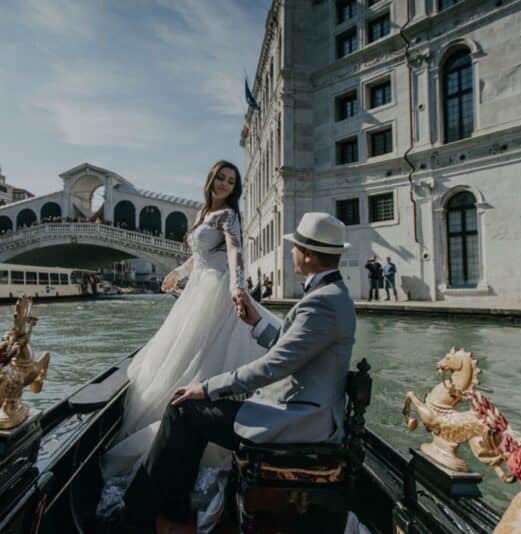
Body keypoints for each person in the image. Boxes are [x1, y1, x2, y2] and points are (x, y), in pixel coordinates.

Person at [111, 212, 356, 532]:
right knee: (187, 408)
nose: (292, 253)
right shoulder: (330, 296)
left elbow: (274, 365)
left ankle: (140, 518)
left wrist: (208, 387)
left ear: (308, 255)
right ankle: (173, 509)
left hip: (299, 421)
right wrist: (256, 322)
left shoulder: (323, 302)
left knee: (183, 408)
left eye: (295, 248)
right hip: (301, 409)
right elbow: (291, 347)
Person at [99, 161, 279, 519]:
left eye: (232, 181)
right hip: (198, 289)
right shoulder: (202, 212)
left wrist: (238, 288)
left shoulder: (228, 215)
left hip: (216, 293)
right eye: (222, 178)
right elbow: (199, 257)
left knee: (203, 356)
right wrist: (178, 271)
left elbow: (235, 253)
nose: (226, 184)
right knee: (181, 354)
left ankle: (191, 441)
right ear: (211, 179)